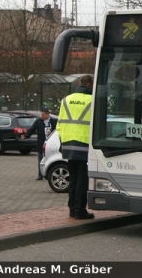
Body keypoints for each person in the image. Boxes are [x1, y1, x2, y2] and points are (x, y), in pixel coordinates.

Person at [56, 75, 94, 220]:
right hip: (84, 144)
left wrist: (62, 141)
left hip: (67, 144)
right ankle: (80, 210)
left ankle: (72, 209)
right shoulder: (92, 100)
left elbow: (59, 124)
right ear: (90, 85)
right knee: (82, 180)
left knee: (73, 179)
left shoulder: (66, 100)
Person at [22, 108, 57, 180]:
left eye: (43, 115)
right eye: (41, 115)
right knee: (40, 160)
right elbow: (32, 129)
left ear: (47, 114)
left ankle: (49, 173)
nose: (42, 116)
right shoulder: (38, 122)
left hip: (51, 144)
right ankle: (40, 174)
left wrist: (52, 130)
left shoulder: (54, 121)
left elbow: (58, 129)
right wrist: (25, 136)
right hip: (41, 143)